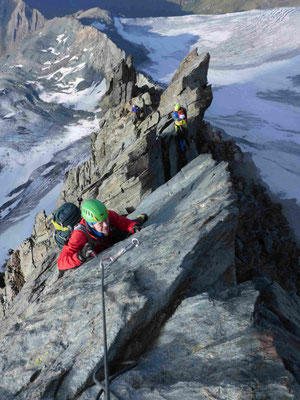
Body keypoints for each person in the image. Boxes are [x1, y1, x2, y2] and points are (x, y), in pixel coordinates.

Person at [58, 199, 146, 271]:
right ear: (91, 224)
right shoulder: (79, 235)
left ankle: (136, 221)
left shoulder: (106, 215)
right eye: (100, 223)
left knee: (124, 228)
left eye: (106, 220)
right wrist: (81, 255)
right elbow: (61, 263)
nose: (105, 225)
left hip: (107, 242)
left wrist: (133, 226)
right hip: (96, 254)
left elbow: (121, 222)